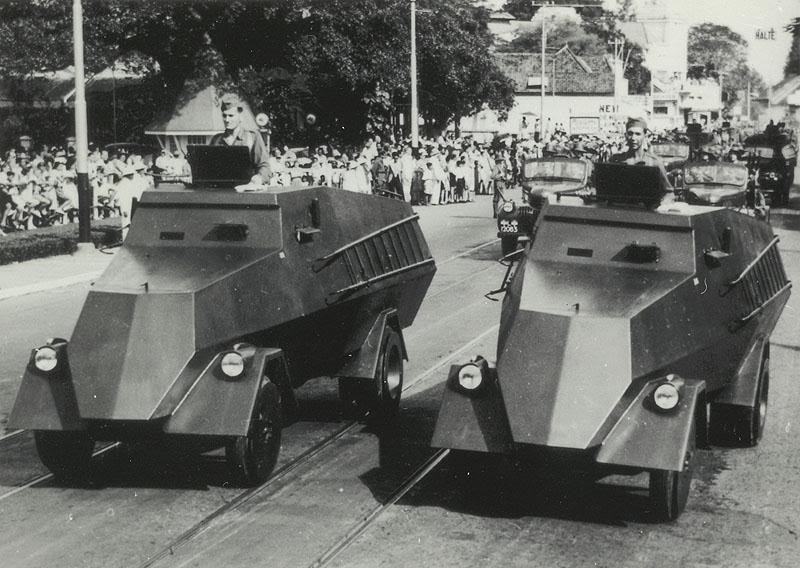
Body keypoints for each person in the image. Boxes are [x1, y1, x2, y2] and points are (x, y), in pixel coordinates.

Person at [209, 93, 270, 185]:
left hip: (245, 189)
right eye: (224, 116)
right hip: (221, 190)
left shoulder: (252, 137)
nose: (227, 120)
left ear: (240, 117)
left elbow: (264, 166)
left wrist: (259, 177)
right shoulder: (216, 140)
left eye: (231, 116)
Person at [610, 117, 672, 192]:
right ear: (626, 135)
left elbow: (669, 192)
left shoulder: (654, 162)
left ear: (644, 135)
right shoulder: (616, 160)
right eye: (630, 133)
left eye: (638, 134)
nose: (633, 138)